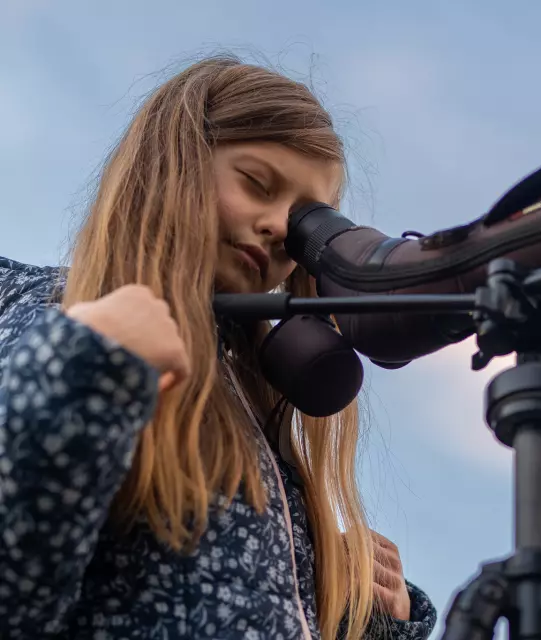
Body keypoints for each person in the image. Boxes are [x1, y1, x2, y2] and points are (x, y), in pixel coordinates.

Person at [0, 56, 437, 639]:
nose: (280, 227)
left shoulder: (265, 426)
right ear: (172, 162)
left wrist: (356, 609)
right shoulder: (31, 310)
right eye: (257, 183)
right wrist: (85, 366)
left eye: (308, 219)